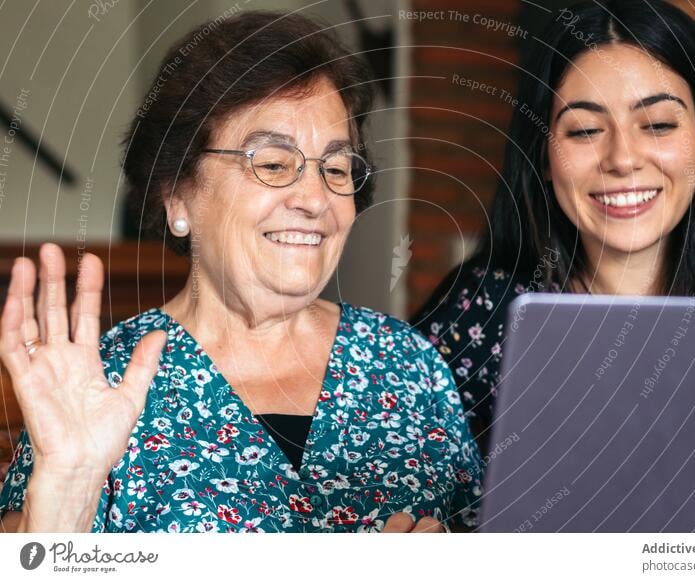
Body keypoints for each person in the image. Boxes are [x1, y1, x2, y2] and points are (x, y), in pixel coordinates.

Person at [0, 11, 482, 533]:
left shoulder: (408, 366)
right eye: (273, 164)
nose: (315, 199)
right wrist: (67, 489)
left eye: (337, 168)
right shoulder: (100, 386)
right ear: (177, 193)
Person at [412, 0, 695, 451]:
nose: (622, 160)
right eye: (584, 130)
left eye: (656, 124)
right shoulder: (478, 311)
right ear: (543, 157)